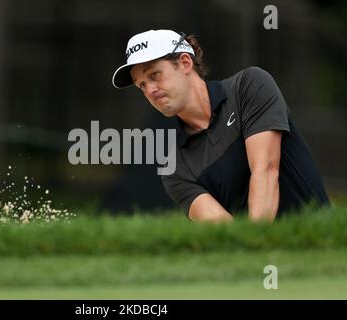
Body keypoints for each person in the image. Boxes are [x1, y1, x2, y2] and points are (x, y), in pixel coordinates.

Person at [111, 29, 330, 222]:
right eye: (142, 85)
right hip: (256, 262)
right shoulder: (175, 170)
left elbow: (265, 170)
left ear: (185, 63)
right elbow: (226, 230)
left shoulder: (250, 87)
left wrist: (257, 244)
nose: (150, 90)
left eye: (154, 75)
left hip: (322, 250)